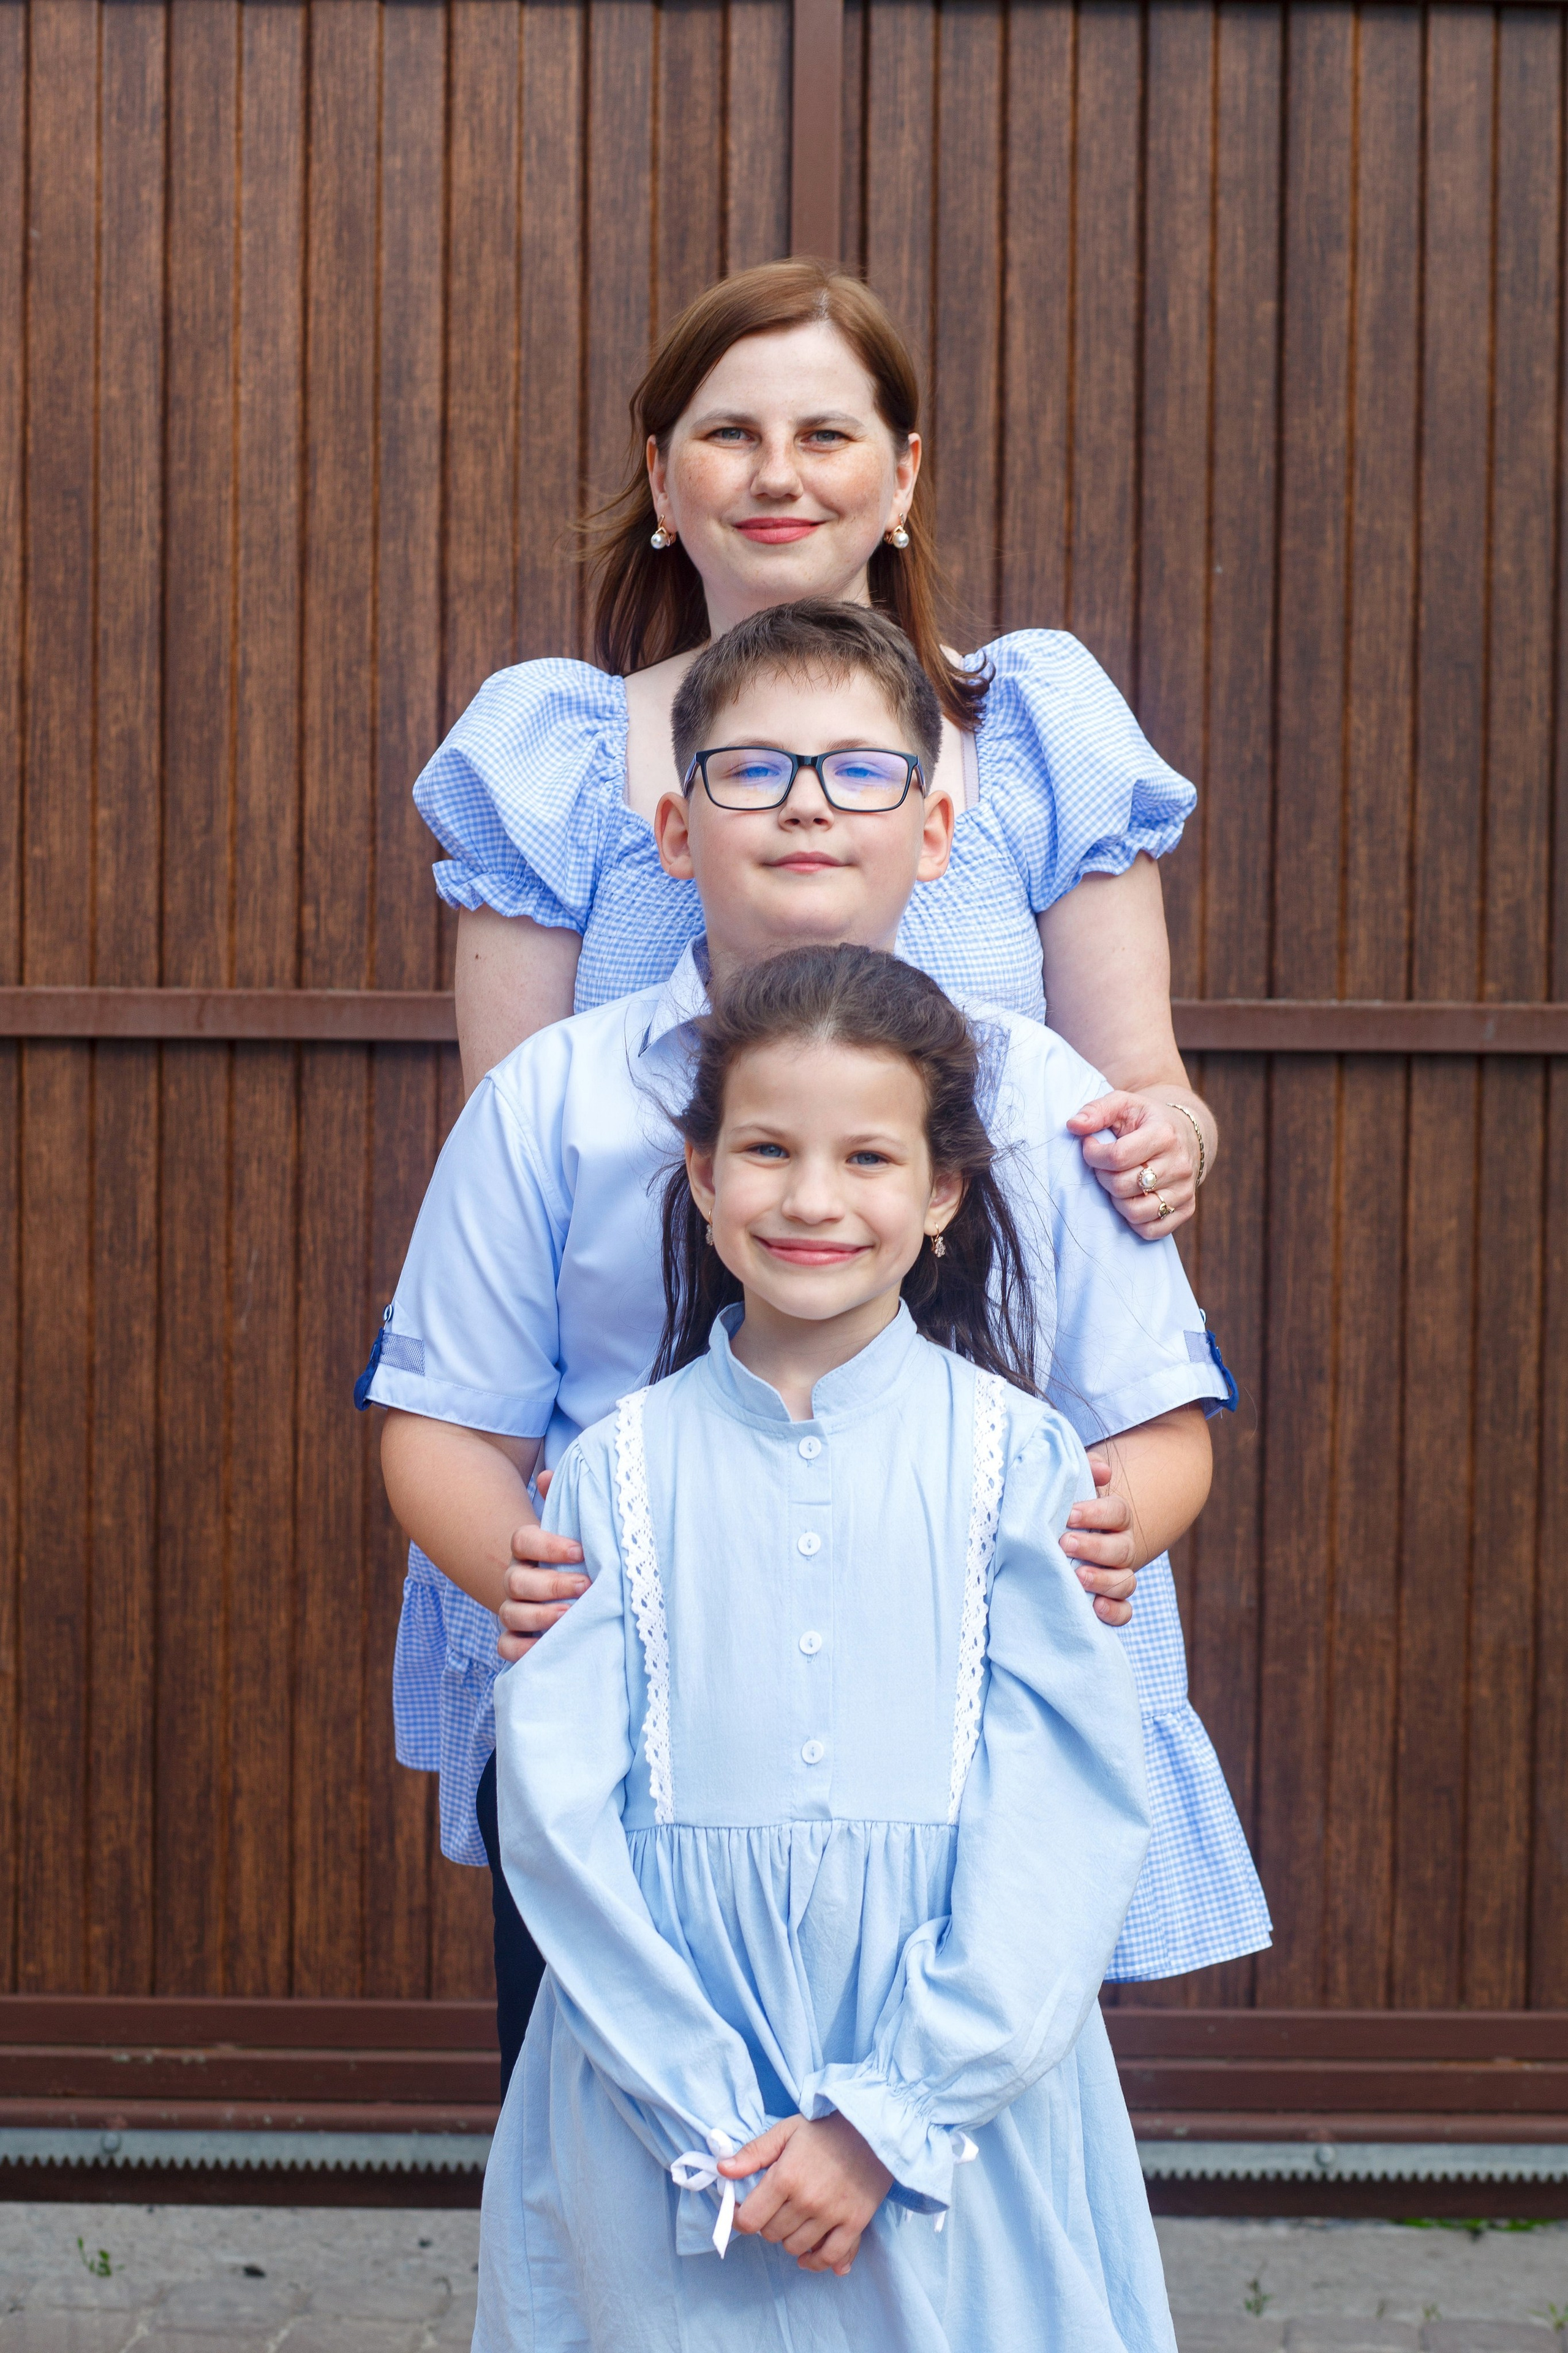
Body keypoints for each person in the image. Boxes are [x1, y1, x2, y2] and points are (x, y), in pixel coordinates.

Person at [363, 603, 1268, 2094]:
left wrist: (1104, 1528)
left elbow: (1154, 1421)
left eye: (855, 773)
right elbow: (441, 1413)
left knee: (938, 2181)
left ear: (934, 830)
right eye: (752, 771)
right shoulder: (552, 1105)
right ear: (671, 826)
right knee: (632, 2160)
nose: (801, 802)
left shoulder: (1037, 1097)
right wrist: (544, 1585)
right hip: (637, 1726)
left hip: (954, 1740)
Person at [464, 943, 1177, 2352]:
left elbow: (1065, 1813)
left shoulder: (1018, 1465)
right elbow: (555, 1822)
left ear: (939, 1192)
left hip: (959, 2103)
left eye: (865, 1156)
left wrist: (885, 2118)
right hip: (652, 2095)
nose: (808, 1198)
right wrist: (717, 2118)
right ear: (701, 1175)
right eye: (766, 1150)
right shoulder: (605, 1474)